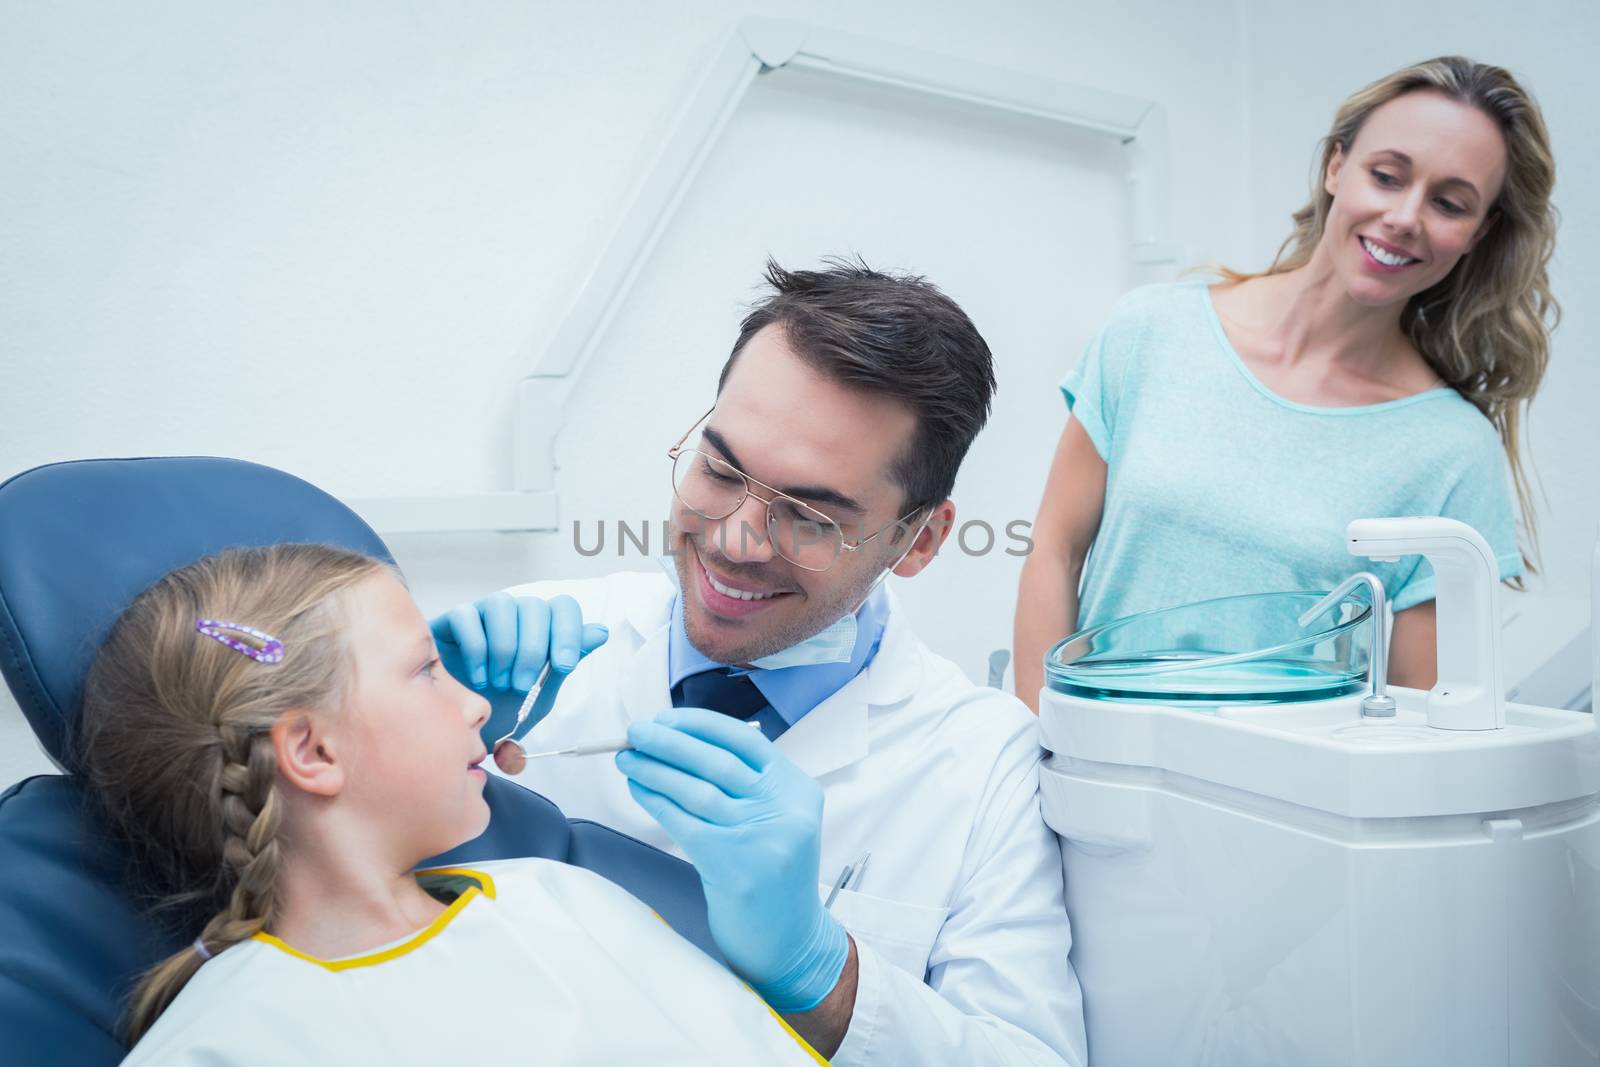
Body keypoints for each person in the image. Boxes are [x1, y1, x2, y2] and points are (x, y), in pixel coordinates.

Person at [434, 259, 1087, 1064]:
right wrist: (418, 765)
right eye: (718, 467)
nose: (735, 540)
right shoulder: (527, 653)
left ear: (918, 540)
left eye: (810, 515)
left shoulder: (987, 765)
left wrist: (817, 968)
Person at [76, 544, 827, 1065]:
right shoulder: (229, 1043)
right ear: (312, 752)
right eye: (428, 670)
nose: (476, 706)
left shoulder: (562, 897)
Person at [1013, 56, 1559, 710]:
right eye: (1387, 176)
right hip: (1091, 784)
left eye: (1449, 202)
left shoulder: (1453, 453)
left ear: (1479, 232)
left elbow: (1422, 726)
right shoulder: (1150, 330)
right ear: (1336, 166)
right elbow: (1054, 552)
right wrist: (1040, 751)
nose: (1406, 216)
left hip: (1284, 807)